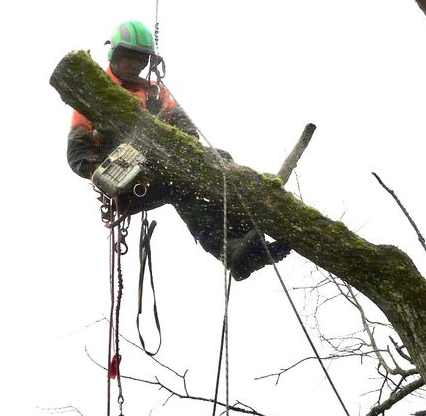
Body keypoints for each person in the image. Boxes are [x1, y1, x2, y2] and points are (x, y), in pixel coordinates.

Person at [67, 20, 291, 280]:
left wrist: (183, 151)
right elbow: (77, 152)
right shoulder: (95, 93)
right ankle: (228, 251)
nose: (133, 65)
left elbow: (187, 129)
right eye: (127, 58)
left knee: (221, 162)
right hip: (128, 184)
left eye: (139, 60)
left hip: (164, 163)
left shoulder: (154, 91)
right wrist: (101, 173)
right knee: (179, 185)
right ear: (114, 56)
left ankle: (249, 239)